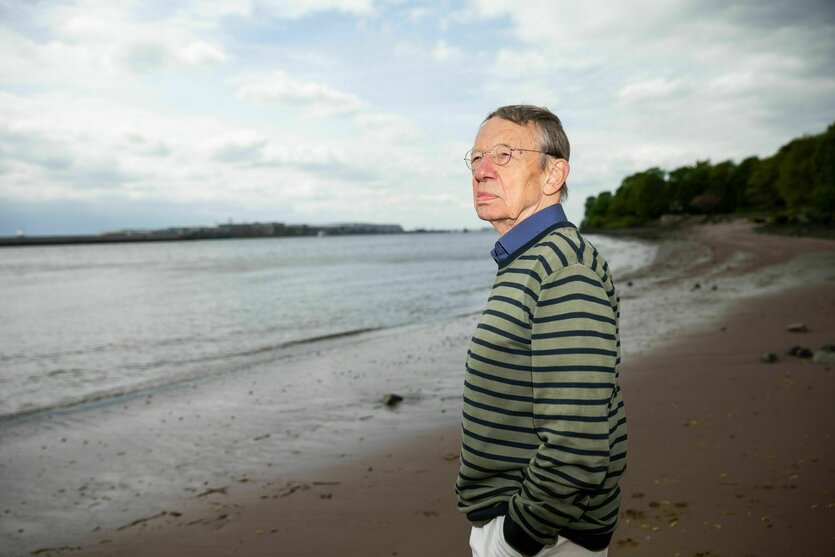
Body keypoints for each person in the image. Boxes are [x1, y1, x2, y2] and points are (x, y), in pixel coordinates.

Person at [456, 105, 626, 557]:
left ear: (554, 174)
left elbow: (577, 445)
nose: (482, 171)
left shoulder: (564, 268)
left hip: (545, 538)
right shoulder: (530, 259)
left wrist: (517, 538)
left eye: (504, 154)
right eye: (476, 158)